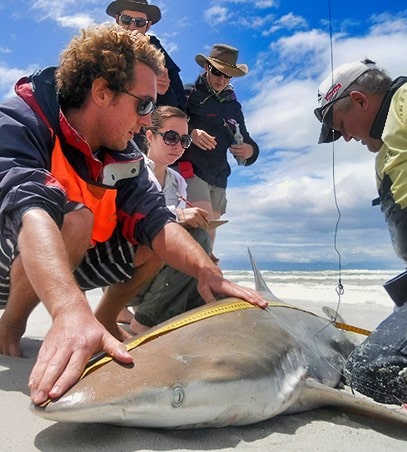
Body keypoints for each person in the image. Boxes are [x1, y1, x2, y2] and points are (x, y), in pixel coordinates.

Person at [0, 24, 267, 406]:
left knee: (158, 236)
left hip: (60, 262)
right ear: (102, 92)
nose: (147, 119)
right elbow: (28, 207)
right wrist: (68, 311)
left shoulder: (124, 155)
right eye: (144, 104)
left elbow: (158, 220)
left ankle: (104, 319)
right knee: (73, 218)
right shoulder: (24, 119)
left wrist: (206, 270)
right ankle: (11, 323)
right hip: (8, 253)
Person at [314, 59, 407, 404]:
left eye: (341, 124)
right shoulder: (390, 142)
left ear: (359, 100)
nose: (345, 137)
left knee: (372, 372)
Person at [121, 105, 213, 334]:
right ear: (150, 136)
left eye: (184, 140)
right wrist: (180, 216)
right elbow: (126, 224)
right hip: (125, 272)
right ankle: (145, 320)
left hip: (154, 270)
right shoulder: (132, 169)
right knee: (197, 238)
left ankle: (173, 317)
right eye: (171, 137)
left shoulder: (178, 181)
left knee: (202, 254)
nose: (178, 146)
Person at [178, 44, 259, 261]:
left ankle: (200, 280)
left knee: (209, 234)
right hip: (191, 170)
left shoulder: (234, 106)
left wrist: (250, 150)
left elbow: (248, 139)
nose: (221, 79)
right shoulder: (187, 93)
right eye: (216, 72)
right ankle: (201, 280)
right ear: (206, 67)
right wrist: (191, 133)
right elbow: (163, 123)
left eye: (227, 75)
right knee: (201, 227)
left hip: (220, 176)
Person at [106, 0, 185, 109]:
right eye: (126, 19)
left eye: (139, 22)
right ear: (117, 19)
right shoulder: (100, 48)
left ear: (147, 26)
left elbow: (177, 104)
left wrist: (163, 92)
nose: (132, 26)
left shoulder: (159, 53)